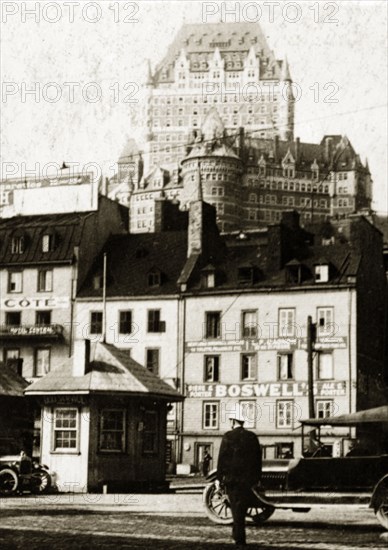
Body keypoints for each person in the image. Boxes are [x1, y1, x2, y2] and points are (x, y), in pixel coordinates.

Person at [217, 406, 262, 547]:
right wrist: (257, 478)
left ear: (233, 421)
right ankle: (236, 534)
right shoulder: (252, 437)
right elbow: (257, 460)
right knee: (241, 508)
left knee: (236, 508)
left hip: (232, 480)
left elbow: (222, 459)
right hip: (248, 481)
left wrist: (219, 478)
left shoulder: (228, 436)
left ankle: (240, 539)